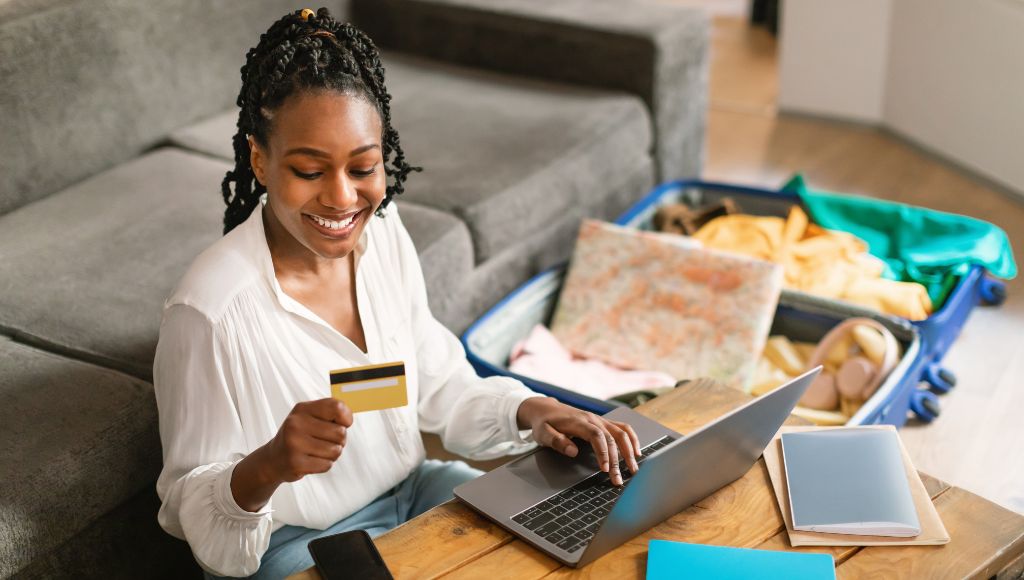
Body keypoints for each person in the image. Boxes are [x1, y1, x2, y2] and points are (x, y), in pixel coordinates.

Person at [153, 8, 641, 578]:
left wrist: (533, 410)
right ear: (260, 159)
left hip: (413, 490)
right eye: (310, 171)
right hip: (293, 545)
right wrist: (266, 468)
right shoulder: (209, 315)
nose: (342, 199)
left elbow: (433, 382)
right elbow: (193, 515)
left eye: (363, 167)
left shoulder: (382, 234)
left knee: (585, 534)